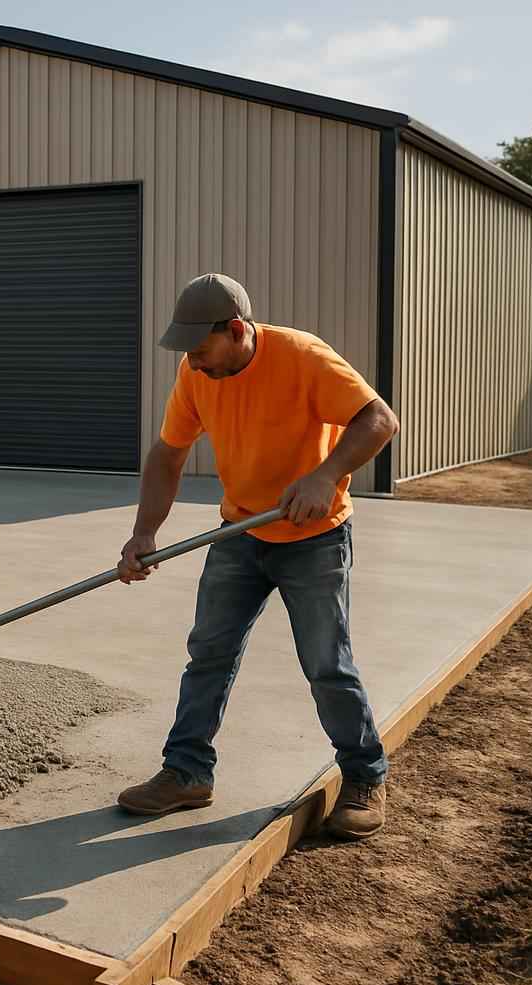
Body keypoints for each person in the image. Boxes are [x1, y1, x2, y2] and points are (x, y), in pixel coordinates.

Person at [115, 273, 400, 840]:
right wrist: (144, 533)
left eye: (200, 350)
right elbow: (169, 454)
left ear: (238, 331)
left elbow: (379, 420)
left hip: (314, 539)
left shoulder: (302, 356)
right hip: (240, 531)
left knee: (326, 664)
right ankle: (188, 772)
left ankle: (365, 777)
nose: (193, 363)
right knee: (208, 654)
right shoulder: (195, 373)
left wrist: (325, 474)